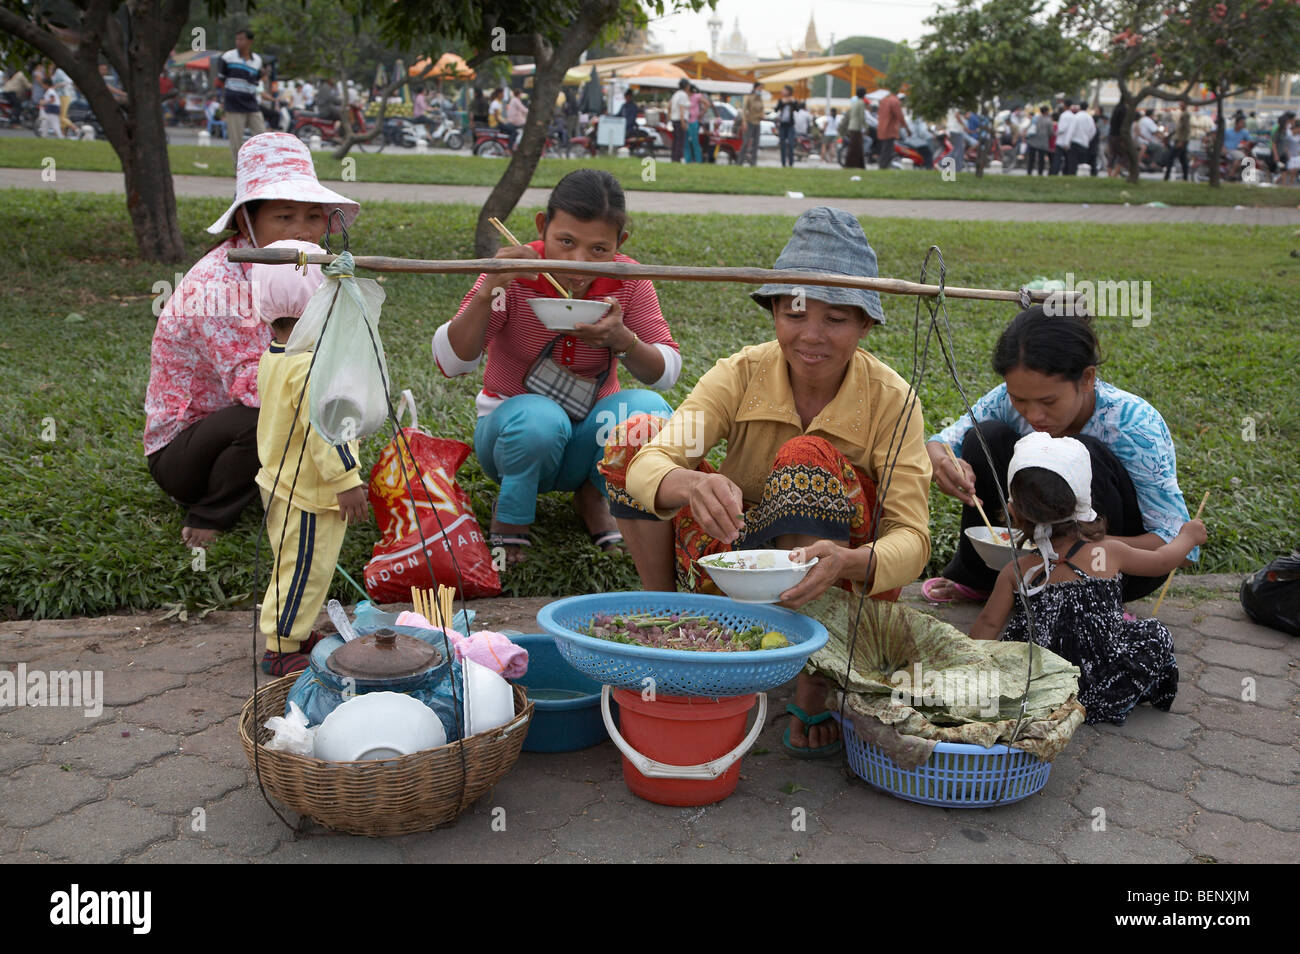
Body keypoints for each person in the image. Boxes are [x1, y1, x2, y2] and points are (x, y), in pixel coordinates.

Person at [600, 208, 932, 756]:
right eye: (796, 313)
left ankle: (813, 671)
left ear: (866, 325)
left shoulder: (893, 400)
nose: (812, 336)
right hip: (737, 557)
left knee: (806, 456)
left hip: (836, 578)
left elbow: (913, 540)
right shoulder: (741, 372)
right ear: (775, 310)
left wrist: (848, 560)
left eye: (837, 319)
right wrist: (687, 484)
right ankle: (667, 622)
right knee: (633, 432)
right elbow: (650, 461)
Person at [433, 169, 682, 563]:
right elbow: (451, 361)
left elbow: (666, 371)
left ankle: (596, 497)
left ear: (620, 244)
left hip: (588, 439)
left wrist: (624, 341)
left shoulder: (629, 280)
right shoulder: (514, 272)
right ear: (541, 227)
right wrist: (489, 290)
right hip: (512, 437)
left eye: (599, 250)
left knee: (646, 412)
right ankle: (512, 517)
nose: (577, 263)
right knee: (541, 418)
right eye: (564, 242)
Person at [144, 132, 360, 549]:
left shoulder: (301, 269)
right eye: (284, 218)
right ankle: (211, 510)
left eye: (314, 218)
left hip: (242, 424)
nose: (303, 231)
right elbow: (256, 388)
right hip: (185, 452)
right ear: (247, 221)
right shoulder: (218, 285)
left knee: (307, 398)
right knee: (275, 408)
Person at [923, 306, 1197, 606]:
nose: (1033, 414)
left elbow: (1174, 540)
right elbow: (943, 442)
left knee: (1079, 452)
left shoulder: (1134, 425)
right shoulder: (1006, 400)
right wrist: (943, 463)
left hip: (1113, 562)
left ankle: (1091, 596)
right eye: (1019, 399)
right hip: (1031, 548)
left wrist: (1078, 547)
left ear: (1087, 378)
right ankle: (985, 580)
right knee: (984, 437)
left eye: (1048, 401)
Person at [971, 433, 1207, 725]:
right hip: (1102, 681)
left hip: (1039, 684)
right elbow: (1162, 561)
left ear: (1013, 510)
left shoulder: (1017, 571)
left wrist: (965, 668)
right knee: (1154, 634)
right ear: (1084, 502)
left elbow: (989, 624)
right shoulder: (1109, 553)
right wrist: (1187, 537)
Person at [249, 239, 369, 676]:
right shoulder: (311, 367)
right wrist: (348, 481)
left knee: (298, 565)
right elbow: (328, 430)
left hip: (281, 481)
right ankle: (281, 645)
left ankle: (294, 631)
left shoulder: (277, 356)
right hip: (309, 492)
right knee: (305, 568)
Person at [217, 28, 267, 163]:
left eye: (242, 39)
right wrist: (221, 101)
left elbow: (256, 81)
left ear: (250, 41)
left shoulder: (257, 60)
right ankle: (238, 169)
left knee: (261, 135)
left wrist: (263, 75)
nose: (238, 42)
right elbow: (219, 81)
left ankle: (260, 165)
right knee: (236, 140)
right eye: (237, 39)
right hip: (233, 103)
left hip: (251, 103)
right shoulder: (228, 57)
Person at [876, 88, 909, 169]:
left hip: (882, 129)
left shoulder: (884, 100)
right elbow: (900, 116)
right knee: (888, 150)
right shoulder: (894, 101)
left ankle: (883, 165)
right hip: (889, 130)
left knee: (885, 149)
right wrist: (908, 129)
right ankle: (883, 166)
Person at [1163, 102, 1191, 181]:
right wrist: (1168, 136)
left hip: (1181, 140)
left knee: (1171, 158)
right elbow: (1178, 129)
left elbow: (1186, 129)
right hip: (1179, 139)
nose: (1180, 105)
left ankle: (1166, 177)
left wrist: (1182, 141)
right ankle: (1185, 178)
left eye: (1181, 104)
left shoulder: (1185, 115)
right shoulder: (1182, 114)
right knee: (1183, 160)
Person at [685, 84, 711, 163]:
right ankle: (688, 160)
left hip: (693, 121)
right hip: (686, 121)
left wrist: (700, 114)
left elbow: (707, 104)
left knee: (694, 141)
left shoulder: (697, 96)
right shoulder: (685, 96)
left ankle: (698, 160)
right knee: (686, 142)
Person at [843, 87, 867, 169]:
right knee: (854, 147)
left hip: (851, 126)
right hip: (856, 128)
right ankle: (848, 164)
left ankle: (860, 165)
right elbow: (861, 117)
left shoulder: (854, 102)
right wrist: (866, 127)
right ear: (864, 95)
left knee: (857, 147)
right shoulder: (861, 103)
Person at [741, 81, 764, 166]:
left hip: (757, 122)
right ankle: (739, 162)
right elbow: (744, 110)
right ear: (755, 88)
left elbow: (762, 110)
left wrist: (762, 115)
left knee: (756, 143)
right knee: (746, 142)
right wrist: (744, 122)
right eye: (759, 88)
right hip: (749, 122)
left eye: (761, 89)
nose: (760, 90)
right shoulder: (749, 98)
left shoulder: (760, 98)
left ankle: (753, 163)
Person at [775, 85, 798, 167]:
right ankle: (783, 163)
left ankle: (791, 163)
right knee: (782, 144)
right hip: (782, 125)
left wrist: (794, 102)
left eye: (784, 90)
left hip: (790, 125)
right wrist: (782, 102)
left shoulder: (793, 100)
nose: (782, 91)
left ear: (788, 91)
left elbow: (797, 108)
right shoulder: (781, 100)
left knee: (791, 144)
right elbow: (776, 109)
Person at [668, 78, 690, 163]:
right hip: (680, 119)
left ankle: (674, 158)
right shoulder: (683, 95)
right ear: (686, 86)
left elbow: (669, 106)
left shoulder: (675, 94)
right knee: (680, 141)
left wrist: (669, 117)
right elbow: (682, 108)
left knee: (676, 140)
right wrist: (683, 122)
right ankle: (677, 159)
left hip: (674, 119)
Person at [1025, 105, 1051, 175]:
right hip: (1043, 143)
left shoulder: (1035, 118)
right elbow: (1050, 132)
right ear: (1046, 111)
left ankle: (1029, 172)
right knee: (1041, 159)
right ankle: (1040, 172)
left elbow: (1029, 128)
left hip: (1032, 141)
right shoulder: (1048, 120)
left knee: (1031, 158)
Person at [1107, 99, 1128, 177]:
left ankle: (1109, 175)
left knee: (1112, 155)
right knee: (1124, 156)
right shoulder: (1124, 110)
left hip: (1111, 135)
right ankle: (1115, 174)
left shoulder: (1116, 108)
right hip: (1119, 136)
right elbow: (1123, 125)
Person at [1281, 115, 1300, 187]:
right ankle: (1279, 182)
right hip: (1289, 155)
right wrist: (1287, 153)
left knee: (1294, 171)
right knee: (1288, 171)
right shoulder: (1289, 134)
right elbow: (1285, 145)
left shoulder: (1299, 136)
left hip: (1296, 155)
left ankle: (1290, 185)